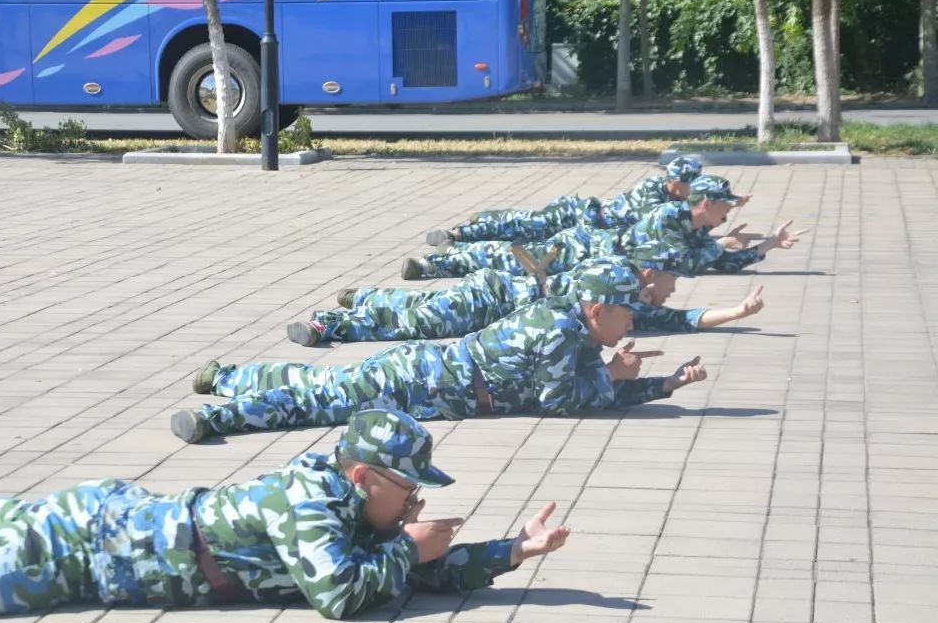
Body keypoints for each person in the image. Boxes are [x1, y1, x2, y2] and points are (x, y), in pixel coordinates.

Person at [0, 410, 571, 623]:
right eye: (408, 488)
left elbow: (409, 568)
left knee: (13, 528)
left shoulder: (362, 515)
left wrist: (513, 552)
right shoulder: (311, 500)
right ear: (361, 476)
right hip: (90, 548)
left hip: (122, 519)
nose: (416, 502)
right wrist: (409, 550)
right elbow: (343, 595)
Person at [172, 259, 708, 444]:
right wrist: (616, 377)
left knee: (320, 388)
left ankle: (228, 375)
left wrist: (662, 386)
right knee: (317, 403)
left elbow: (590, 391)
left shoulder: (576, 329)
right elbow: (561, 402)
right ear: (596, 309)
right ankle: (216, 417)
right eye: (625, 310)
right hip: (420, 382)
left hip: (427, 377)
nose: (633, 319)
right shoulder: (558, 332)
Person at [285, 252, 766, 347]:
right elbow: (681, 316)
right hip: (497, 297)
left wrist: (739, 313)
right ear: (647, 272)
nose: (673, 288)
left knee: (422, 315)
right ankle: (332, 324)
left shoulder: (625, 301)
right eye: (670, 278)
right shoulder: (614, 285)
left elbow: (685, 319)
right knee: (419, 322)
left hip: (500, 299)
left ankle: (363, 297)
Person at [401, 175, 805, 281]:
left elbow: (715, 262)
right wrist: (724, 246)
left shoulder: (696, 231)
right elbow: (688, 263)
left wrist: (766, 246)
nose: (728, 214)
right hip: (585, 247)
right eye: (726, 207)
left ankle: (447, 256)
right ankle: (436, 262)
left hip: (595, 260)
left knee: (513, 262)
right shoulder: (668, 219)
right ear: (705, 203)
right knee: (507, 256)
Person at [423, 156, 707, 246]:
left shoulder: (663, 192)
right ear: (676, 182)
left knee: (524, 231)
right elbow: (670, 224)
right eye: (690, 185)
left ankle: (474, 228)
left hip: (585, 218)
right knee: (525, 225)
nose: (692, 193)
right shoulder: (654, 195)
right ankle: (457, 234)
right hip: (581, 216)